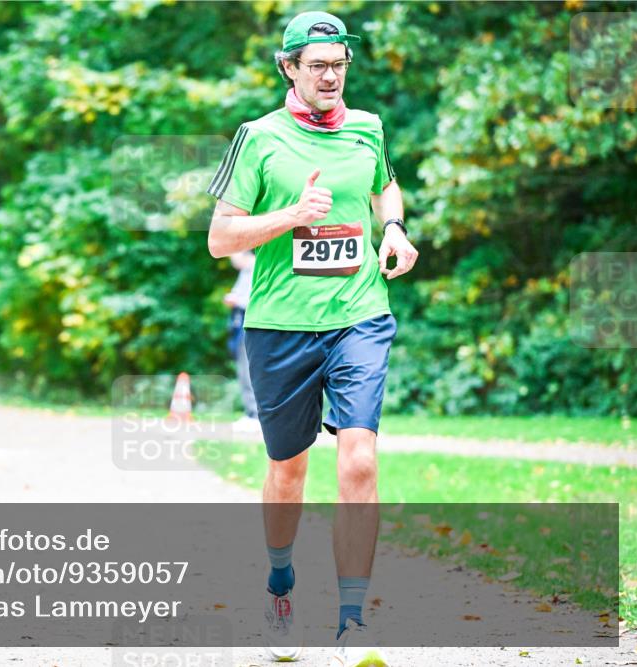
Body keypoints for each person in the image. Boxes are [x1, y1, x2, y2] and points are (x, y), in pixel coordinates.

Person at [206, 11, 419, 665]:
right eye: (319, 64)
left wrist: (394, 228)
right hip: (280, 325)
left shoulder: (368, 128)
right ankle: (279, 581)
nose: (332, 75)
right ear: (289, 68)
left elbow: (386, 187)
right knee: (288, 470)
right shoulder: (257, 140)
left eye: (340, 64)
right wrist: (293, 216)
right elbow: (220, 239)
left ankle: (353, 616)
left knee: (358, 459)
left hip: (358, 314)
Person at [223, 250, 261, 433]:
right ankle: (250, 412)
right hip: (240, 325)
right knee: (242, 369)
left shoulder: (254, 268)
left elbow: (254, 299)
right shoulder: (244, 272)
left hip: (250, 324)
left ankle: (255, 414)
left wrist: (236, 300)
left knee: (248, 370)